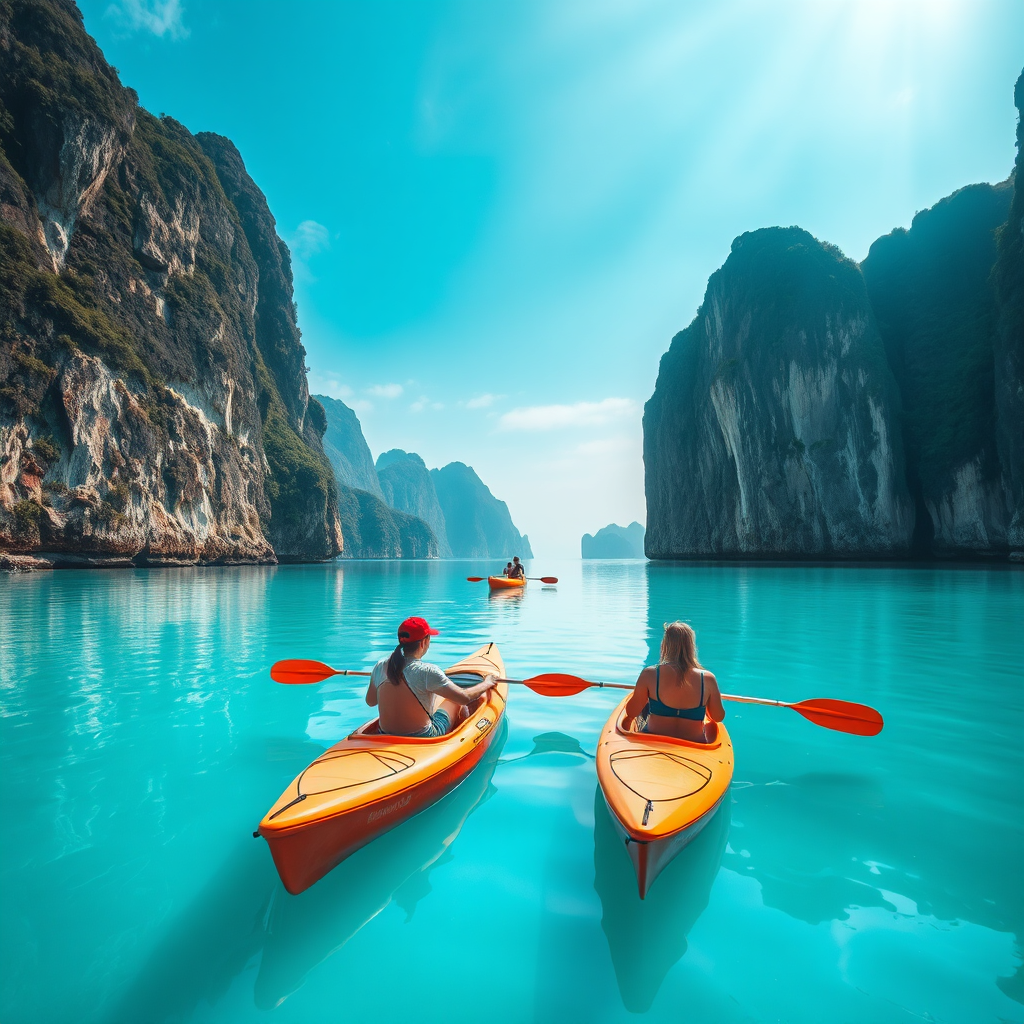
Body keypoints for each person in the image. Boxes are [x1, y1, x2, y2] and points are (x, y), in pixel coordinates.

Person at [365, 616, 496, 737]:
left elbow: (370, 701)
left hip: (384, 734)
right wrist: (487, 683)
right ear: (424, 642)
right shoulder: (428, 671)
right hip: (424, 736)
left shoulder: (380, 666)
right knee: (453, 700)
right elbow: (464, 698)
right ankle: (465, 732)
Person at [622, 621, 724, 743]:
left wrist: (648, 697)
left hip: (653, 739)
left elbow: (631, 712)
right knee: (710, 725)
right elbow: (718, 717)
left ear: (665, 645)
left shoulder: (649, 674)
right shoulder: (707, 678)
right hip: (694, 744)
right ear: (691, 646)